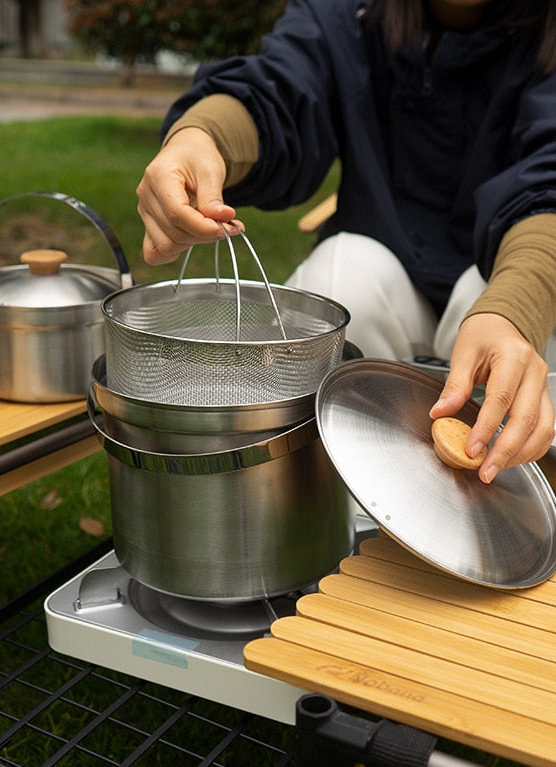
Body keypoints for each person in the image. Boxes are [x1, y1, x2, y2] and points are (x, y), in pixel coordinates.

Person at [136, 0, 556, 484]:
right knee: (340, 276)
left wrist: (514, 311)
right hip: (383, 276)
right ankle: (329, 504)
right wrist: (202, 137)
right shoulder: (346, 12)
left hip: (517, 271)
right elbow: (281, 89)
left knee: (507, 316)